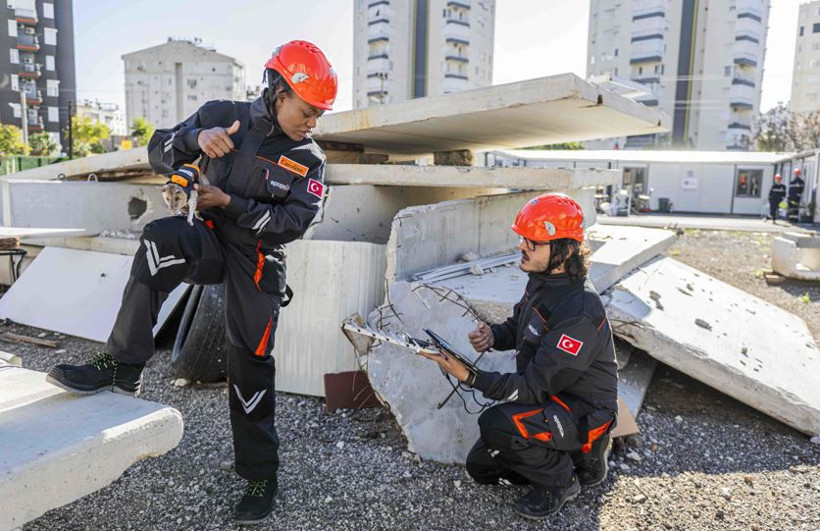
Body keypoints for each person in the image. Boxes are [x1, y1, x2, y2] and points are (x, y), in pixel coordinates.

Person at [46, 40, 337, 525]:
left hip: (259, 260)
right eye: (308, 111)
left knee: (250, 360)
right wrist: (195, 141)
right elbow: (157, 149)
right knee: (158, 241)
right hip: (205, 236)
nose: (313, 122)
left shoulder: (309, 158)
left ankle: (259, 472)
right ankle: (122, 364)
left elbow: (297, 223)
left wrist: (227, 202)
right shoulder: (222, 115)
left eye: (320, 115)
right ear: (279, 92)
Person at [420, 193, 619, 521]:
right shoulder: (542, 282)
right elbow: (519, 327)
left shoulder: (579, 311)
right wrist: (493, 337)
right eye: (522, 238)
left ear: (564, 250)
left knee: (496, 424)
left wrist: (471, 377)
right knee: (481, 467)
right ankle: (573, 459)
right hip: (552, 399)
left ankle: (564, 478)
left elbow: (533, 387)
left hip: (583, 413)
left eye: (533, 242)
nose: (522, 246)